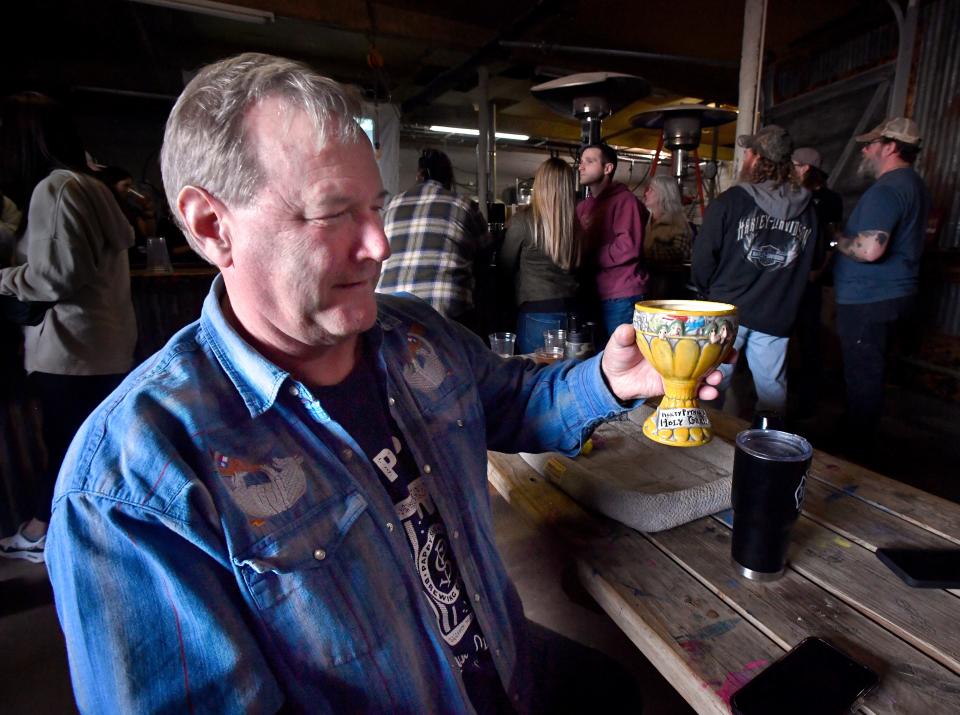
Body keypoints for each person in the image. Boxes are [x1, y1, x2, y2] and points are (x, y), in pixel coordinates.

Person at [44, 53, 725, 714]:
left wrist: (610, 377)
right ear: (211, 225)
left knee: (610, 688)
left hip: (504, 664)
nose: (380, 244)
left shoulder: (413, 335)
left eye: (376, 205)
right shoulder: (131, 484)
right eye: (334, 212)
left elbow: (513, 399)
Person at [0, 92, 137, 563]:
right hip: (106, 344)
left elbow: (57, 275)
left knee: (66, 444)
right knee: (92, 445)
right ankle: (88, 534)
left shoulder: (56, 189)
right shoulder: (91, 186)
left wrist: (4, 278)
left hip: (70, 347)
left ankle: (42, 532)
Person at [692, 125, 819, 419]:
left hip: (726, 312)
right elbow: (814, 260)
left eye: (748, 151)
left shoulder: (730, 201)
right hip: (777, 312)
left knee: (712, 385)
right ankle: (769, 452)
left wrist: (704, 293)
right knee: (772, 392)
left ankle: (707, 446)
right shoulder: (810, 210)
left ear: (756, 158)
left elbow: (701, 257)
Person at [831, 117, 930, 451]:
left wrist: (836, 241)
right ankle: (859, 434)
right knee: (871, 372)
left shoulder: (887, 189)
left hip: (869, 300)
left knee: (863, 376)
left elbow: (870, 249)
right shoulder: (913, 184)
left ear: (890, 147)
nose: (865, 150)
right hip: (894, 294)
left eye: (871, 144)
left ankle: (856, 454)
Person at [377, 148, 489, 335]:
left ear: (419, 174)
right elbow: (486, 254)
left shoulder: (391, 205)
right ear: (449, 178)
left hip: (388, 313)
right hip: (446, 316)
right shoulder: (464, 205)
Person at [498, 157, 587, 354]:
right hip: (573, 311)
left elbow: (504, 267)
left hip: (537, 312)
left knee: (537, 378)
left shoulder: (522, 222)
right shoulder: (576, 226)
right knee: (568, 376)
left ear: (540, 185)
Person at [576, 143, 649, 344]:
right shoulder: (584, 207)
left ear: (608, 168)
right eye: (581, 162)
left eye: (589, 162)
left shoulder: (625, 201)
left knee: (622, 356)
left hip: (620, 296)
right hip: (593, 293)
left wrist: (587, 256)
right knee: (597, 358)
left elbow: (628, 246)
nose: (581, 167)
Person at [791, 147, 843, 418]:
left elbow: (833, 241)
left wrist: (817, 270)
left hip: (812, 281)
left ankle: (807, 401)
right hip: (791, 280)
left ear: (807, 168)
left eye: (796, 166)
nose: (792, 171)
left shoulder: (830, 200)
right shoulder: (795, 197)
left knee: (811, 336)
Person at [641, 174, 693, 299]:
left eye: (651, 190)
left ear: (663, 194)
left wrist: (642, 252)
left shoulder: (678, 222)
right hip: (647, 285)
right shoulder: (647, 220)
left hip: (667, 289)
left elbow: (681, 253)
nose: (646, 193)